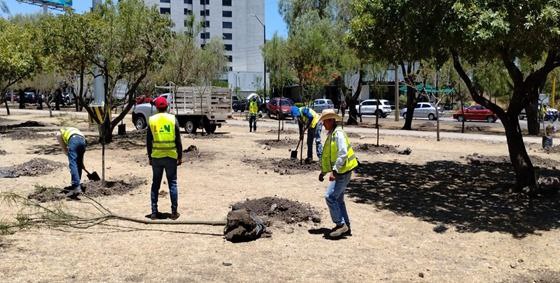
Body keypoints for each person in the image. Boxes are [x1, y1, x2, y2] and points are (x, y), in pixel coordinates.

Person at [318, 109, 359, 238]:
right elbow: (329, 156)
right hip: (341, 171)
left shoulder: (338, 134)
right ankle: (345, 226)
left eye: (324, 121)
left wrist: (334, 171)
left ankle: (340, 225)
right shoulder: (332, 134)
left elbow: (342, 153)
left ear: (330, 120)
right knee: (339, 200)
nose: (323, 124)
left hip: (342, 171)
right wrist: (324, 172)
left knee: (330, 197)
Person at [147, 96, 183, 220]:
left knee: (155, 184)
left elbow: (148, 140)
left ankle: (153, 212)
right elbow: (178, 139)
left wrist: (150, 157)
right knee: (172, 184)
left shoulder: (152, 120)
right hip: (171, 156)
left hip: (156, 157)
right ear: (167, 107)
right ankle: (174, 212)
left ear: (157, 108)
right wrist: (180, 156)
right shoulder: (173, 119)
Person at [57, 127, 87, 197]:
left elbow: (64, 148)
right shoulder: (75, 130)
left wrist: (69, 155)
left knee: (73, 164)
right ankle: (77, 184)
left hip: (73, 140)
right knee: (78, 164)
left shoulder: (59, 132)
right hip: (83, 141)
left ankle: (76, 186)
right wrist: (81, 162)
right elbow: (83, 141)